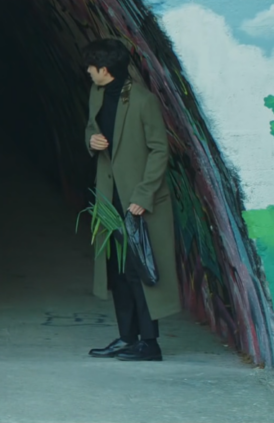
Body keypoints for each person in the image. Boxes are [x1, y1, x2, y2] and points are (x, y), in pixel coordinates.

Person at [83, 38, 180, 362]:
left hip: (137, 200)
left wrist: (142, 195)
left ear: (105, 70)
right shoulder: (97, 94)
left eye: (91, 66)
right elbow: (90, 129)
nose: (88, 71)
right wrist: (91, 140)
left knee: (141, 270)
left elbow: (159, 149)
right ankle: (127, 337)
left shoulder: (141, 100)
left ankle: (150, 344)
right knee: (118, 269)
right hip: (109, 198)